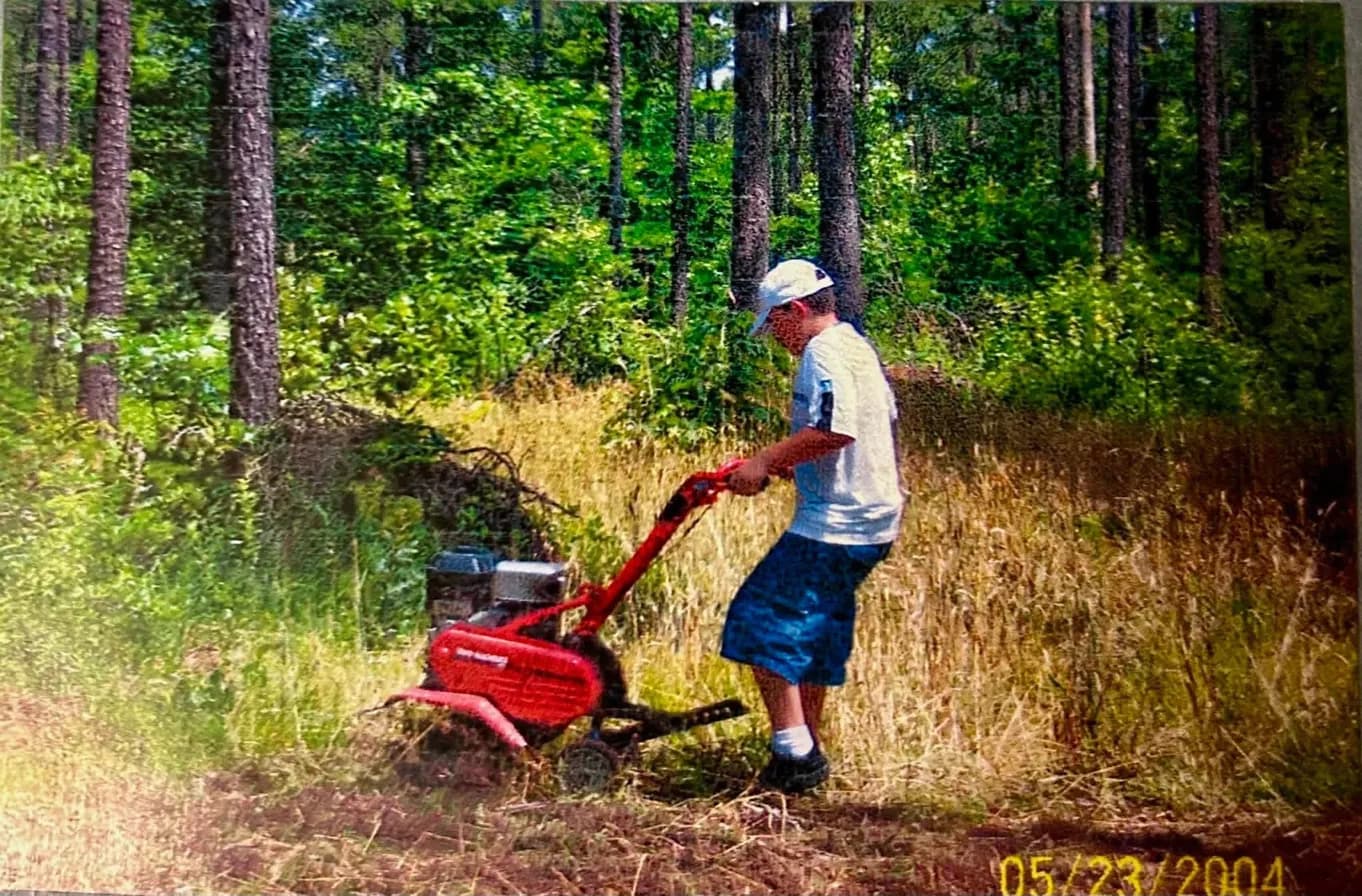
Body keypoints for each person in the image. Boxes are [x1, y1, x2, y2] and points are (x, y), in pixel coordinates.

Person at [723, 258, 903, 794]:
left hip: (838, 523)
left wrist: (764, 459)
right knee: (812, 631)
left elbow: (836, 430)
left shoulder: (821, 353)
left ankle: (795, 758)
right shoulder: (854, 346)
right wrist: (783, 462)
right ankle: (807, 749)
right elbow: (868, 429)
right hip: (871, 518)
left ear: (796, 310)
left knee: (757, 621)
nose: (773, 337)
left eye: (773, 324)